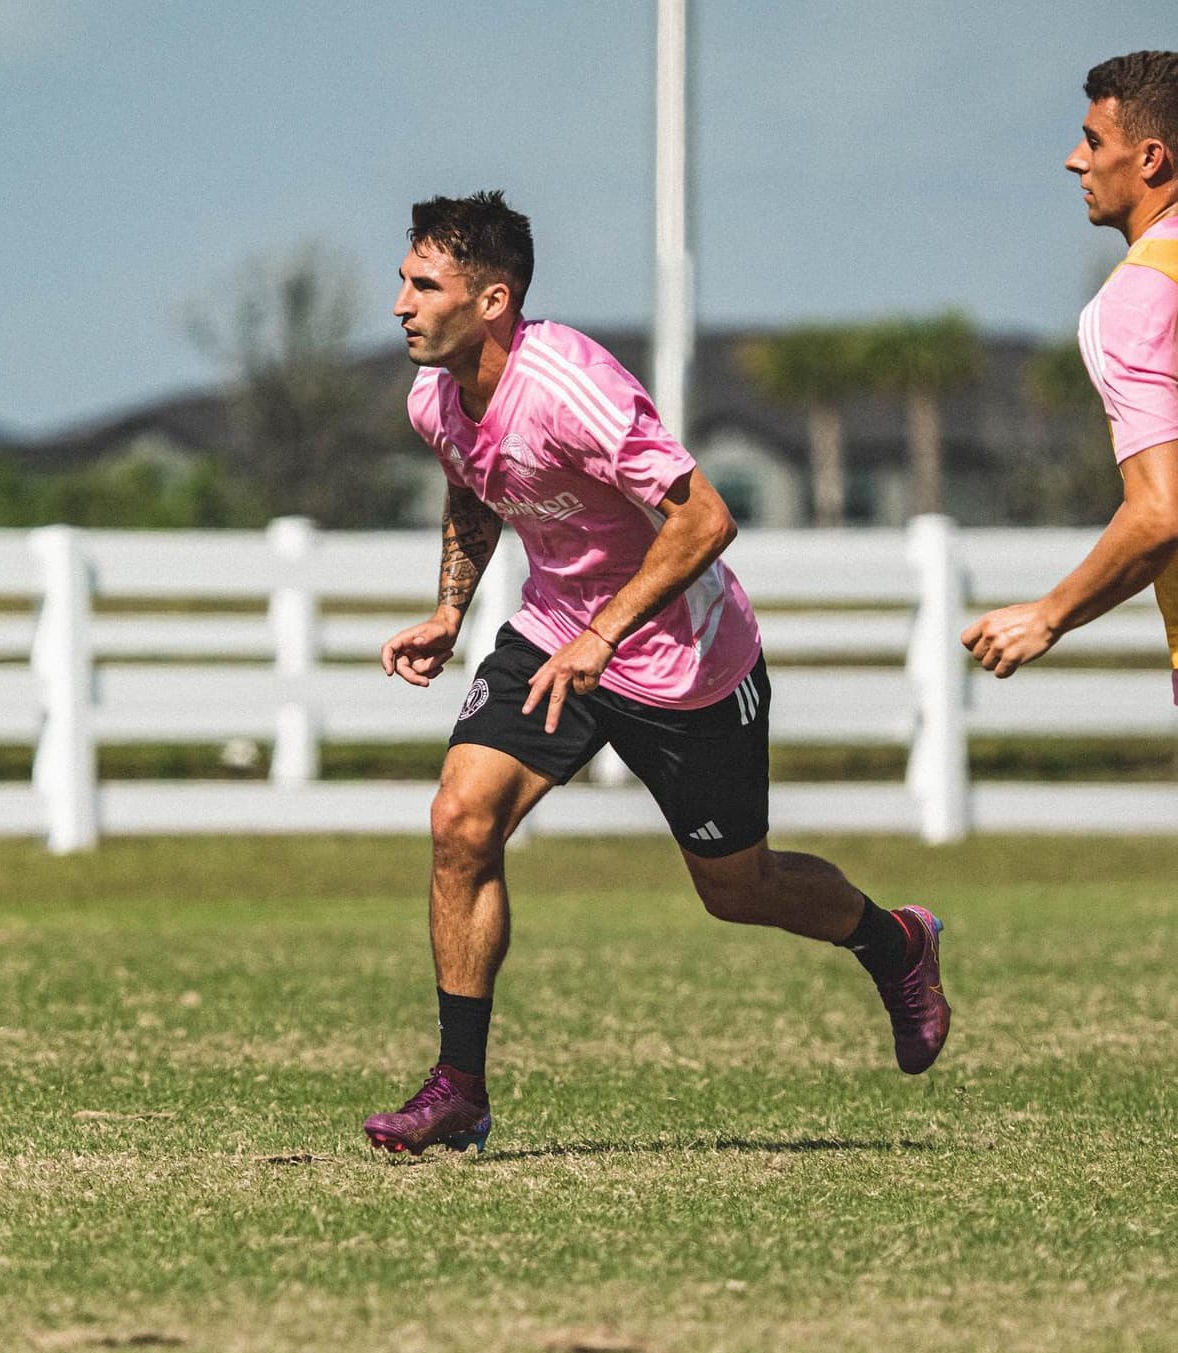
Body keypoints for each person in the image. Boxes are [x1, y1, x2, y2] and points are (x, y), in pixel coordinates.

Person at [363, 191, 950, 1156]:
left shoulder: (572, 385)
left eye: (425, 285)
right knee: (459, 821)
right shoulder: (433, 395)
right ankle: (458, 1087)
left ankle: (896, 943)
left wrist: (606, 636)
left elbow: (706, 519)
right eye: (403, 281)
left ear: (495, 300)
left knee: (738, 887)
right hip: (554, 635)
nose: (401, 304)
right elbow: (475, 491)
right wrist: (449, 612)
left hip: (687, 661)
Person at [962, 51, 1178, 699]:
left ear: (1149, 158)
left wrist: (1048, 615)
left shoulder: (1136, 299)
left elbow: (1162, 511)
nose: (1074, 160)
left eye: (1093, 141)